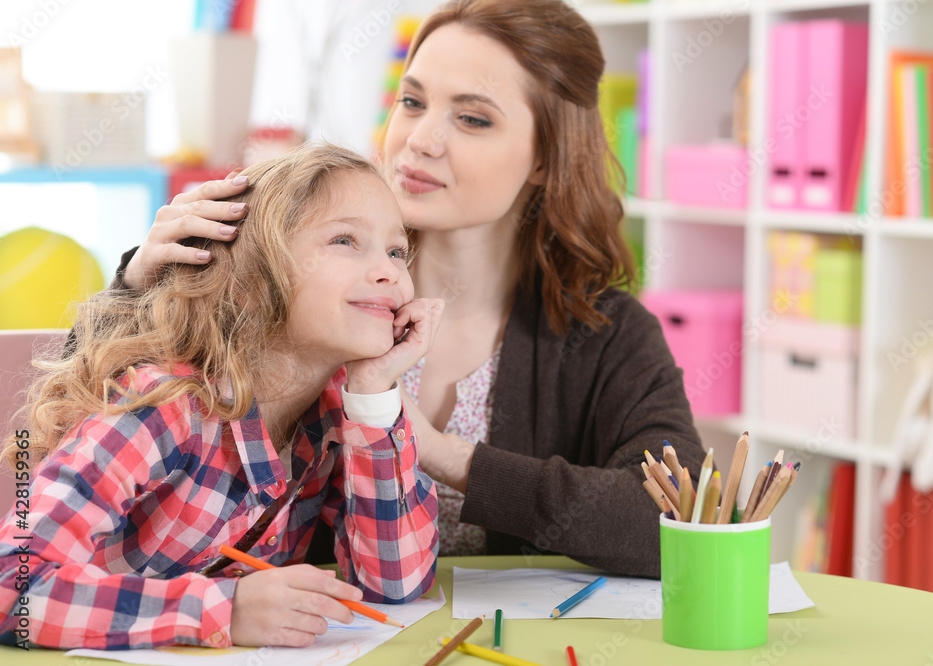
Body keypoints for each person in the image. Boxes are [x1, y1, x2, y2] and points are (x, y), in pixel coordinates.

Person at [92, 0, 706, 579]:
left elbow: (679, 519)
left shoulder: (606, 334)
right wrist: (134, 289)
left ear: (546, 155)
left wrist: (445, 456)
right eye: (412, 102)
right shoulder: (301, 284)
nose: (420, 139)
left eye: (472, 118)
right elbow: (69, 428)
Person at [0, 142, 442, 650]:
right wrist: (220, 611)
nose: (390, 271)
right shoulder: (161, 406)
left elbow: (395, 585)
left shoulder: (337, 413)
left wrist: (375, 392)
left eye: (396, 251)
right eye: (344, 239)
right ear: (250, 282)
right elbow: (14, 588)